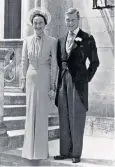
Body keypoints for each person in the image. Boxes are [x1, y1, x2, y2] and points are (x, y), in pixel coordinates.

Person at [54, 8, 100, 163]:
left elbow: (95, 62)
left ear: (78, 19)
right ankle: (64, 152)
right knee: (64, 116)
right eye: (67, 20)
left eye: (73, 20)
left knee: (77, 117)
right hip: (63, 81)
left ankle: (75, 154)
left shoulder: (87, 38)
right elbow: (60, 63)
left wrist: (85, 79)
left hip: (78, 83)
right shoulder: (60, 39)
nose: (70, 23)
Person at [20, 7, 58, 160]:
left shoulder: (52, 41)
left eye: (40, 23)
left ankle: (41, 151)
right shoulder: (27, 41)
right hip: (30, 79)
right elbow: (23, 61)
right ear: (32, 24)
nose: (38, 26)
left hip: (44, 78)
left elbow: (54, 64)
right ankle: (28, 151)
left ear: (45, 24)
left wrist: (53, 85)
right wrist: (22, 79)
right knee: (30, 113)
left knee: (41, 114)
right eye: (35, 23)